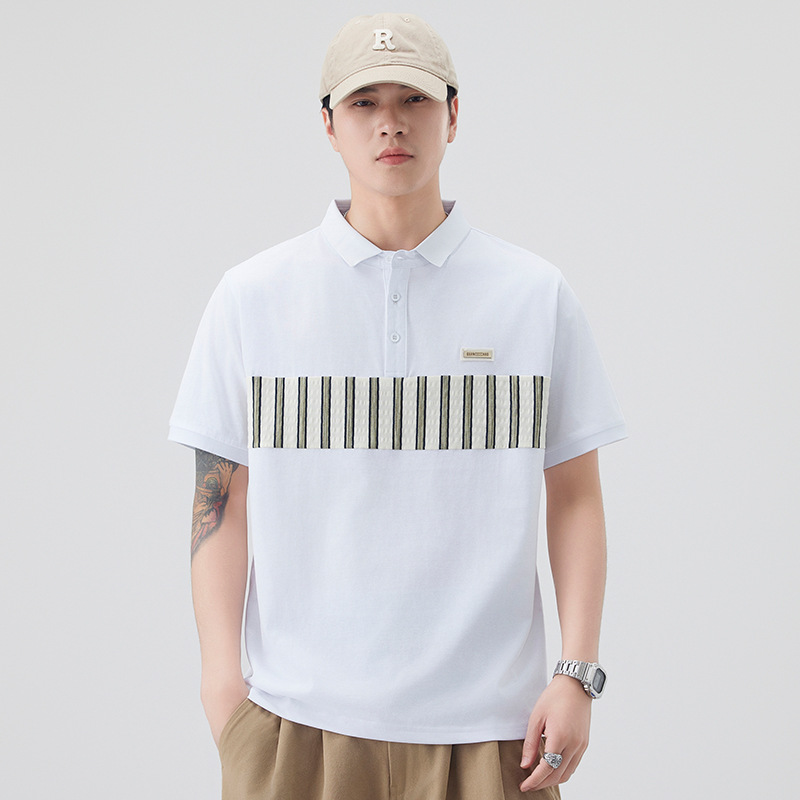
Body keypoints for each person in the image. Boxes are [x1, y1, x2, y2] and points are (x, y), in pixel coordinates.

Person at [169, 12, 626, 799]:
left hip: (492, 734)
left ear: (454, 114)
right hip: (297, 728)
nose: (391, 123)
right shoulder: (253, 298)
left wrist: (576, 673)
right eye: (364, 103)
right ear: (328, 124)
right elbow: (220, 497)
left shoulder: (532, 295)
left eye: (414, 99)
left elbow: (576, 493)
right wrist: (223, 690)